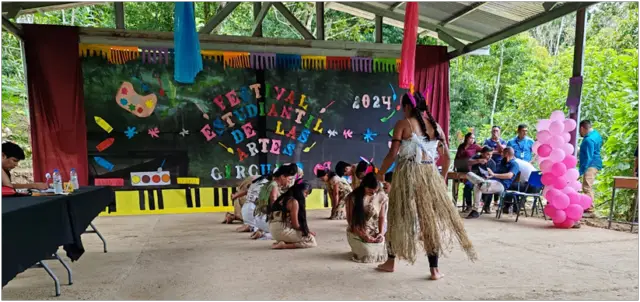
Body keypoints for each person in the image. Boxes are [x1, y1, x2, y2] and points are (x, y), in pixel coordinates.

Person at [375, 91, 476, 280]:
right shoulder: (436, 127)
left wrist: (380, 172)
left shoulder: (403, 124)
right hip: (429, 174)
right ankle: (434, 270)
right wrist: (441, 178)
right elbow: (447, 158)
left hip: (407, 174)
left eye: (403, 107)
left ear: (407, 107)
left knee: (396, 216)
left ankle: (390, 262)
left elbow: (392, 154)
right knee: (427, 221)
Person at [345, 172, 388, 263]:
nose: (372, 192)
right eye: (369, 189)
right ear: (363, 186)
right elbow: (351, 221)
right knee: (367, 253)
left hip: (374, 230)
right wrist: (364, 236)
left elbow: (381, 217)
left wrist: (381, 233)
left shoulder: (381, 197)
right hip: (357, 230)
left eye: (375, 190)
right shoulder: (352, 197)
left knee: (385, 251)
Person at [466, 147, 520, 219]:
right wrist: (490, 176)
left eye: (502, 153)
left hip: (501, 185)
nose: (501, 155)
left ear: (506, 154)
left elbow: (509, 175)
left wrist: (494, 175)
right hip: (490, 182)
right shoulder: (502, 162)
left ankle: (475, 210)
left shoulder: (514, 164)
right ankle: (475, 211)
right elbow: (493, 174)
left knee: (477, 185)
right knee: (469, 174)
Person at [251, 164, 299, 239]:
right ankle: (265, 235)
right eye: (289, 179)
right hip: (265, 220)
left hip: (257, 219)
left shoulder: (268, 183)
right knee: (288, 230)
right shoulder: (274, 185)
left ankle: (262, 231)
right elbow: (273, 200)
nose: (289, 182)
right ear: (282, 177)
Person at [269, 180, 317, 249]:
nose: (306, 196)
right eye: (306, 193)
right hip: (282, 231)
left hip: (273, 231)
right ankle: (285, 245)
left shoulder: (282, 198)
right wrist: (307, 232)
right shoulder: (293, 202)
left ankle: (283, 241)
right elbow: (295, 225)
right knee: (311, 240)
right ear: (300, 191)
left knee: (302, 234)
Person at [578, 120, 603, 218]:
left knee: (587, 187)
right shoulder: (596, 134)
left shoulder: (588, 140)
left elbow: (588, 157)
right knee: (588, 186)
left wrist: (581, 170)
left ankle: (590, 209)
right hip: (595, 162)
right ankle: (588, 207)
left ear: (582, 128)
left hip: (591, 164)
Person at [462, 147, 496, 213]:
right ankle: (469, 206)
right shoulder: (476, 157)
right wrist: (478, 161)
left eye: (491, 154)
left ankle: (487, 206)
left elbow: (492, 176)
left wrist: (487, 177)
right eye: (487, 154)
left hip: (485, 180)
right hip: (473, 179)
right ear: (482, 153)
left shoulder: (492, 163)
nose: (489, 156)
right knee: (467, 186)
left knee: (490, 187)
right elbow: (467, 163)